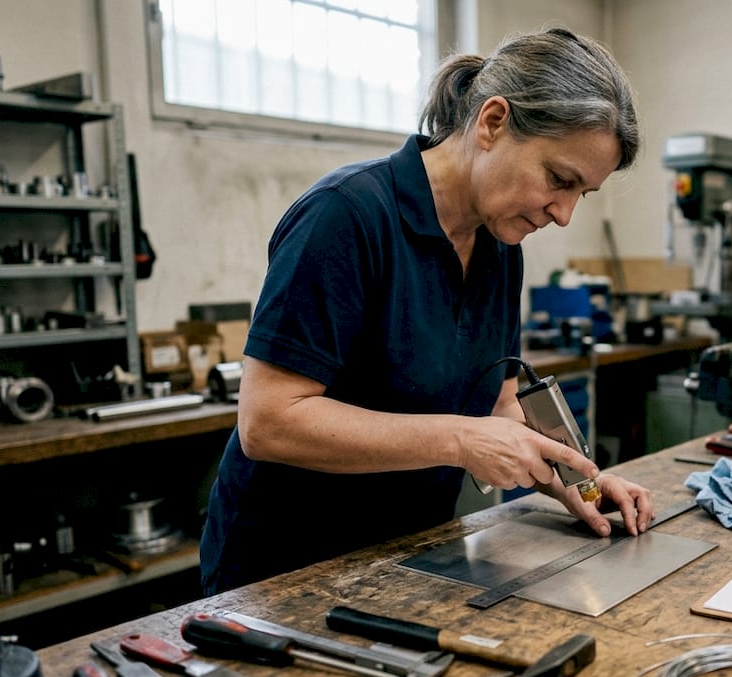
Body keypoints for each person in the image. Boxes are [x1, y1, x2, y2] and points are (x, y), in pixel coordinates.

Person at [200, 26, 654, 595]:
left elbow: (499, 404)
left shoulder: (499, 246)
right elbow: (267, 423)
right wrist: (461, 440)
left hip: (406, 556)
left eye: (580, 194)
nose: (563, 214)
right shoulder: (345, 217)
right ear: (492, 122)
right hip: (283, 572)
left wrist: (577, 481)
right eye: (558, 180)